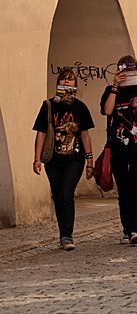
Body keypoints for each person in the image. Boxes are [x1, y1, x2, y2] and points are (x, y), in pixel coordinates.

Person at [32, 69, 94, 251]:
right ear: (58, 83)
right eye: (63, 79)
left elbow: (85, 135)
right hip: (53, 159)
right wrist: (37, 159)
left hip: (74, 158)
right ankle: (63, 233)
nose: (67, 82)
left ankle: (67, 235)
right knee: (58, 196)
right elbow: (41, 132)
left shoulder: (80, 107)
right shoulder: (49, 105)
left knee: (66, 193)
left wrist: (90, 161)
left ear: (75, 84)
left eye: (70, 80)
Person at [101, 55, 137, 245]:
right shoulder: (111, 91)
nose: (126, 73)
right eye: (122, 69)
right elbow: (108, 111)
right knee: (123, 188)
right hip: (118, 148)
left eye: (129, 69)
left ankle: (134, 229)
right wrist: (115, 86)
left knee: (134, 186)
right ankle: (126, 229)